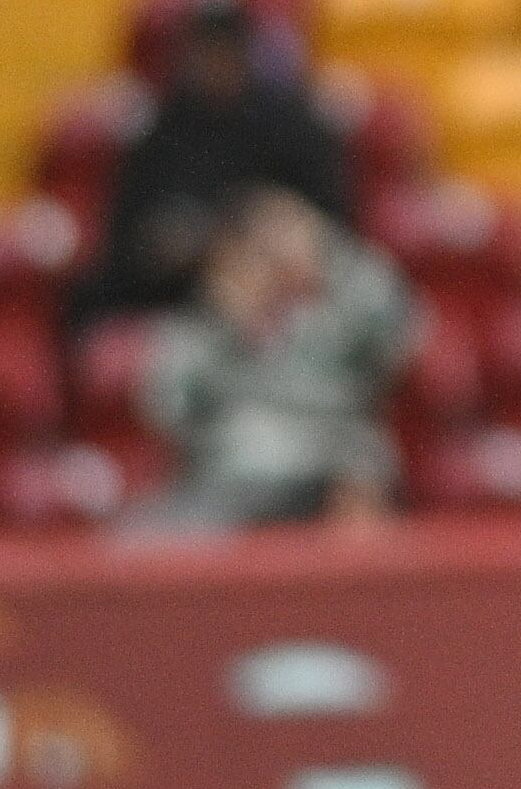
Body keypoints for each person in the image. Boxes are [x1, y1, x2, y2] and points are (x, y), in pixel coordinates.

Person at [74, 0, 354, 326]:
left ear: (247, 51)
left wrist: (252, 238)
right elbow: (128, 243)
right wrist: (174, 249)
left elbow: (332, 228)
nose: (216, 61)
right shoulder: (162, 131)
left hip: (283, 298)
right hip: (181, 302)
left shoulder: (291, 125)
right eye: (206, 48)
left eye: (226, 47)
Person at [129, 186, 412, 535]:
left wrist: (332, 260)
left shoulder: (344, 304)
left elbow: (401, 334)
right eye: (262, 246)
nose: (278, 254)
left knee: (360, 485)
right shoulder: (208, 322)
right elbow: (169, 410)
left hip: (335, 454)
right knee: (143, 539)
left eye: (289, 234)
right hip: (238, 469)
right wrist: (225, 327)